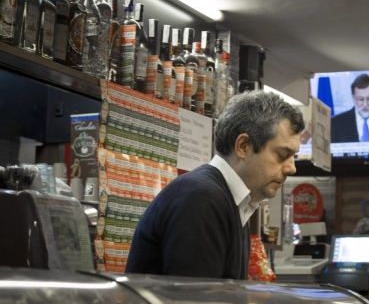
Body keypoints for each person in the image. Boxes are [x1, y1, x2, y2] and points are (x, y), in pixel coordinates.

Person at [126, 91, 305, 279]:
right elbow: (195, 303)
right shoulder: (201, 199)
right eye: (282, 155)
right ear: (243, 146)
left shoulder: (234, 202)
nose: (291, 168)